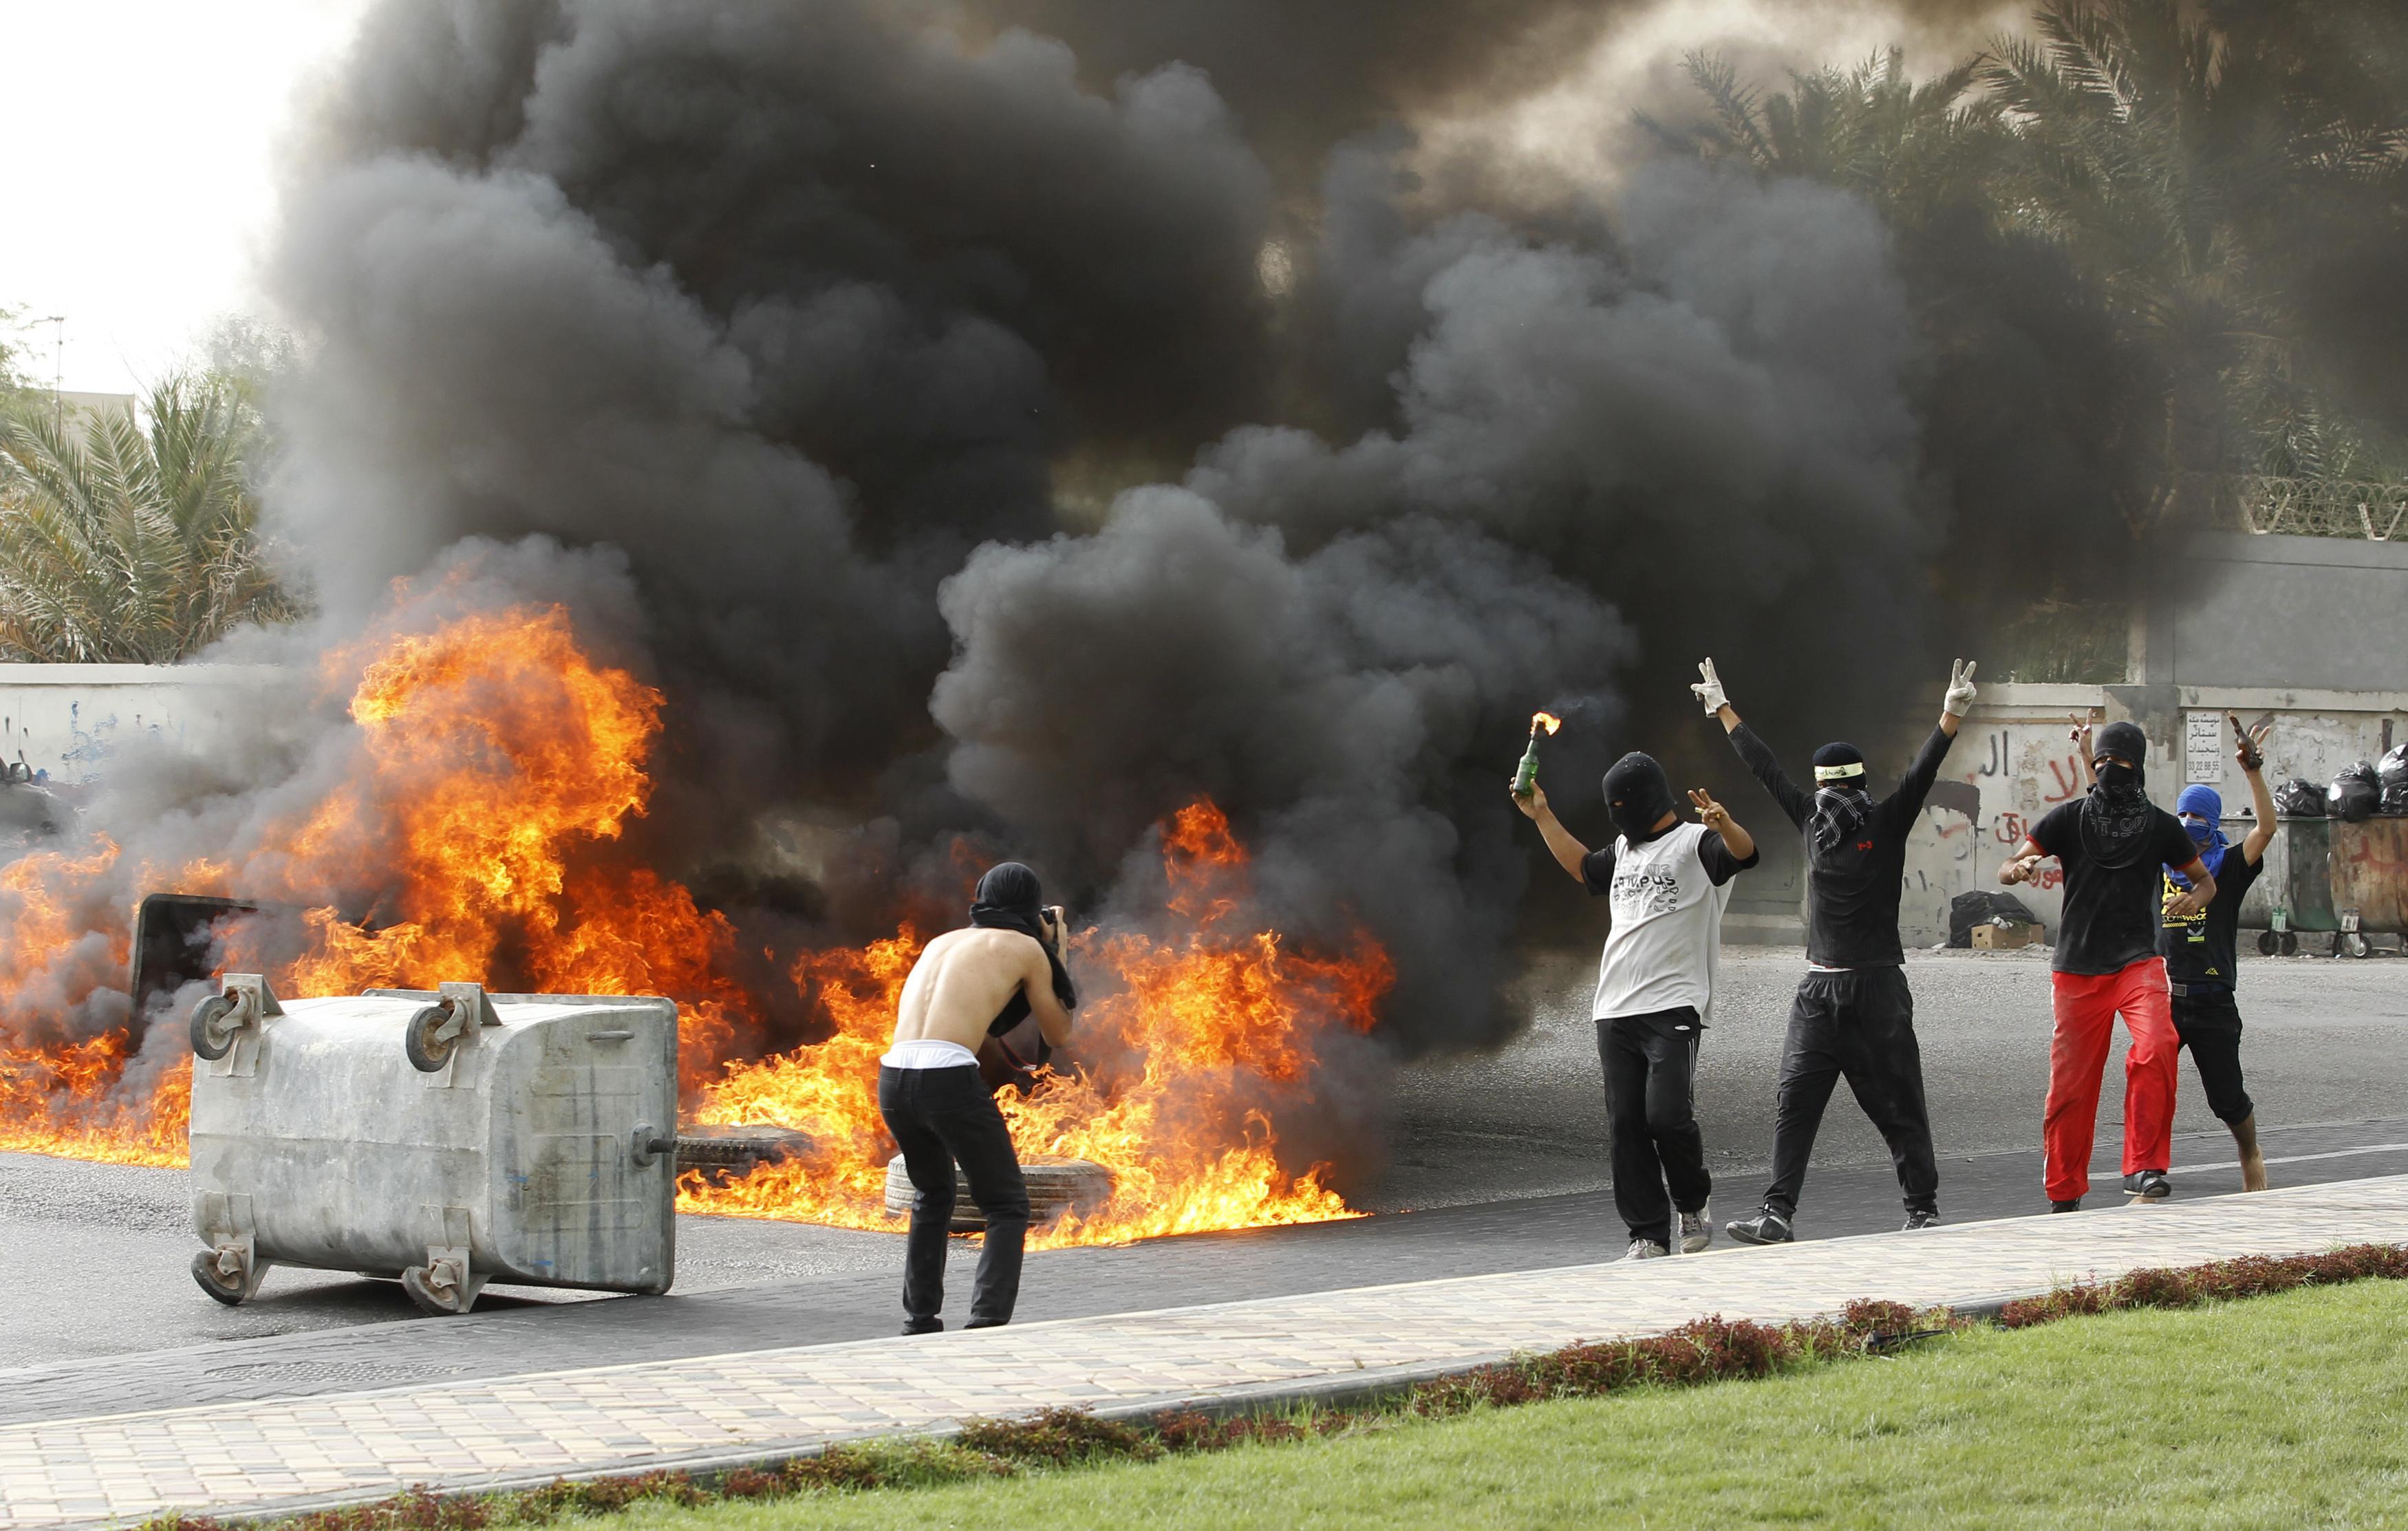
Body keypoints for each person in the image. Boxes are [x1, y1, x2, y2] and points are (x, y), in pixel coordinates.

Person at [1691, 657, 1979, 1244]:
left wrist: (1951, 714)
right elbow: (1763, 767)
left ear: (1836, 786)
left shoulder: (1886, 820)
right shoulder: (1810, 820)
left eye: (1827, 789)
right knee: (1794, 1099)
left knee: (1899, 1103)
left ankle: (1922, 1207)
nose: (1824, 800)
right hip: (1818, 990)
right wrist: (1722, 708)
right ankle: (1777, 1214)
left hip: (1877, 989)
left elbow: (1925, 770)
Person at [1514, 751, 1759, 1260]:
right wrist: (1541, 814)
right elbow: (1583, 867)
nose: (1617, 814)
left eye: (1622, 804)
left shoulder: (1695, 843)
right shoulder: (1623, 850)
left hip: (1674, 1002)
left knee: (1667, 1116)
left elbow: (1745, 853)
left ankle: (1692, 1200)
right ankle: (1646, 1233)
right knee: (1625, 1125)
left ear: (1647, 798)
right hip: (1614, 1007)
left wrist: (1726, 823)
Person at [1999, 720, 2215, 1210]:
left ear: (2137, 769)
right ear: (2094, 766)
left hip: (2138, 963)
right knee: (2071, 1088)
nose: (2109, 771)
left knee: (2159, 1044)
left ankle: (2143, 1166)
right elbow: (2010, 866)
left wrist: (2192, 899)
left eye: (2118, 764)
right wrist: (2020, 867)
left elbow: (2205, 881)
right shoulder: (2069, 819)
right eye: (2102, 763)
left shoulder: (2161, 826)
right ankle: (2064, 1190)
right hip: (2077, 968)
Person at [878, 861, 1077, 1335]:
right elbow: (1059, 1032)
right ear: (1033, 909)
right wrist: (1059, 949)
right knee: (1006, 1204)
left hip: (894, 1075)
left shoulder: (940, 941)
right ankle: (987, 1323)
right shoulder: (1027, 947)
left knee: (932, 1195)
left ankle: (919, 1318)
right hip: (946, 1077)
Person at [2158, 714, 2277, 1192]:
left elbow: (2266, 829)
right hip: (2164, 1000)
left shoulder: (2227, 865)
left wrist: (2253, 771)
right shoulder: (2158, 864)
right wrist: (2091, 762)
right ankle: (2148, 1175)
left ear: (2215, 821)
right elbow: (2110, 826)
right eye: (2183, 815)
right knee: (2150, 1087)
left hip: (2213, 999)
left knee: (2226, 1098)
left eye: (2200, 817)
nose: (2190, 824)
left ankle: (2251, 1156)